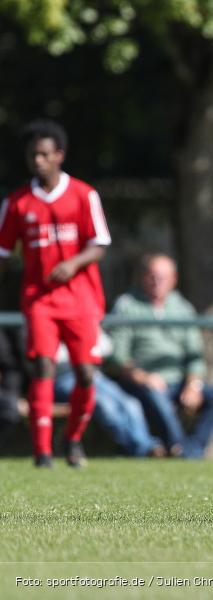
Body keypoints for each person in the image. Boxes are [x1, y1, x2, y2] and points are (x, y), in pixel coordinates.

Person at [0, 119, 111, 468]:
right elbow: (3, 253)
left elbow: (100, 243)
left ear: (59, 156)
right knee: (43, 366)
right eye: (33, 155)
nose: (38, 161)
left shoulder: (83, 194)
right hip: (40, 298)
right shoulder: (17, 203)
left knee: (85, 373)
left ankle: (73, 439)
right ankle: (42, 452)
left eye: (45, 155)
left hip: (80, 297)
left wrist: (74, 263)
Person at [108, 253, 213, 459]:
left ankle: (192, 450)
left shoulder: (181, 308)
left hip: (179, 383)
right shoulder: (127, 305)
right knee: (155, 394)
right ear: (142, 277)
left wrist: (193, 385)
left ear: (173, 279)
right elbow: (116, 355)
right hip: (142, 383)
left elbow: (195, 354)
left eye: (163, 277)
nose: (157, 281)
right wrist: (143, 377)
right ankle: (180, 448)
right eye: (152, 276)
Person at [54, 329, 165, 457]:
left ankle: (145, 445)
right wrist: (81, 348)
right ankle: (141, 448)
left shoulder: (82, 316)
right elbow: (53, 357)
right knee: (105, 405)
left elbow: (106, 347)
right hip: (64, 377)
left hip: (94, 375)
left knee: (130, 403)